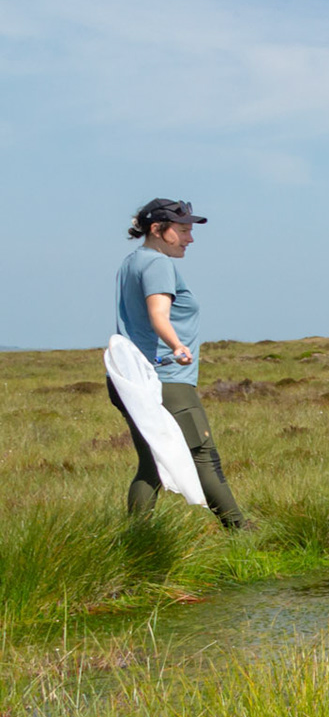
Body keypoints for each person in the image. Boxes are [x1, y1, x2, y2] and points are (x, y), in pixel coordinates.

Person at [110, 199, 246, 528]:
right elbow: (158, 315)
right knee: (203, 456)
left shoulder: (132, 262)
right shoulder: (158, 264)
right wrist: (177, 345)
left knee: (152, 466)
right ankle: (242, 534)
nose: (190, 238)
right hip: (165, 379)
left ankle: (138, 541)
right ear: (158, 230)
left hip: (132, 380)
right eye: (182, 230)